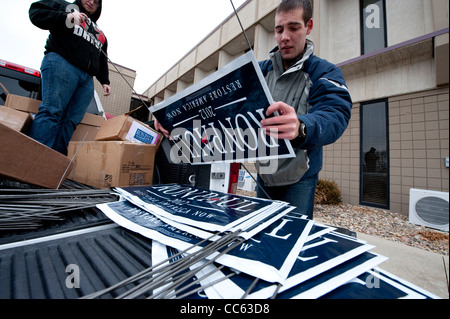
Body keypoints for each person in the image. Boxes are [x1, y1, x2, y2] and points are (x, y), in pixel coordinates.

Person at [256, 0, 352, 219]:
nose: (284, 37)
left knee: (292, 238)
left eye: (293, 27)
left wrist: (302, 126)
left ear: (308, 27)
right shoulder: (258, 72)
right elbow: (219, 97)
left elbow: (336, 113)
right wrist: (171, 119)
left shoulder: (325, 71)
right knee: (260, 239)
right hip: (264, 175)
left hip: (301, 178)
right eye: (279, 29)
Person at [28, 0, 111, 155]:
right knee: (52, 111)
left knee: (71, 122)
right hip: (62, 63)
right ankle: (33, 163)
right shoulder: (65, 7)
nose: (91, 2)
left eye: (96, 2)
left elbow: (102, 59)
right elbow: (36, 12)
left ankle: (53, 164)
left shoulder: (101, 34)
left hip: (86, 79)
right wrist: (66, 17)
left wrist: (105, 80)